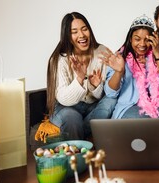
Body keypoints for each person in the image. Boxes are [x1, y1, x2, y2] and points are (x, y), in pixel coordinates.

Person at [45, 12, 116, 140]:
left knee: (111, 100)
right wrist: (80, 78)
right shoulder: (59, 59)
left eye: (84, 29)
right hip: (66, 107)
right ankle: (82, 145)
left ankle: (78, 132)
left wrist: (95, 86)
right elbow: (63, 99)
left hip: (92, 106)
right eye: (74, 32)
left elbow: (103, 94)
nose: (82, 35)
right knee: (72, 117)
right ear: (67, 36)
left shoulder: (102, 52)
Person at [102, 14, 159, 119]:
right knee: (138, 121)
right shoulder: (119, 58)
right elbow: (111, 93)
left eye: (147, 40)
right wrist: (119, 72)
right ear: (130, 39)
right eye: (137, 39)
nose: (142, 44)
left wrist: (157, 54)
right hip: (130, 105)